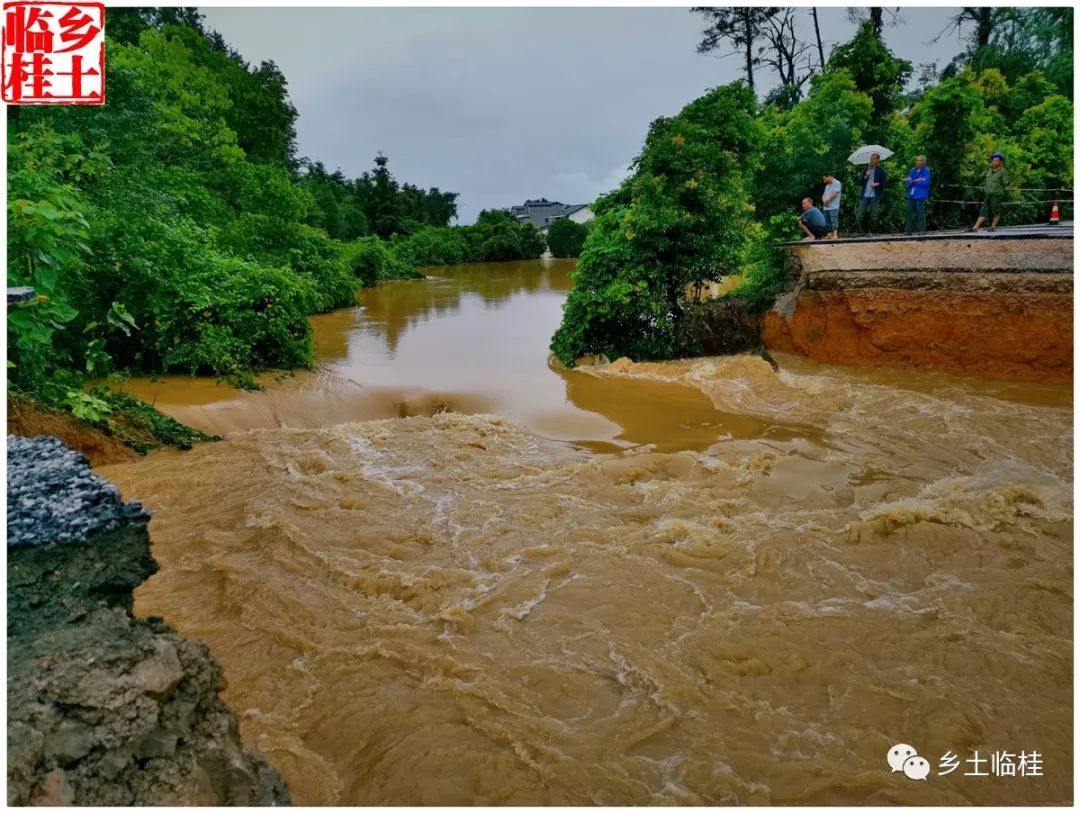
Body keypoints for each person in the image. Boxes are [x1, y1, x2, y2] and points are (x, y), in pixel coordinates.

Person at [969, 152, 1009, 232]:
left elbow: (1005, 183)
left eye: (996, 160)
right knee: (983, 210)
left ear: (1000, 162)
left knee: (995, 210)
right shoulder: (990, 170)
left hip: (997, 194)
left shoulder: (1003, 171)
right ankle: (975, 227)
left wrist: (999, 190)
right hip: (988, 194)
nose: (993, 162)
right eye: (993, 160)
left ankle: (993, 226)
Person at [855, 153, 886, 235]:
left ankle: (870, 232)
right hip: (865, 195)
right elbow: (860, 182)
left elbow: (884, 183)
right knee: (859, 215)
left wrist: (877, 184)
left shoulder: (881, 171)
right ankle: (861, 232)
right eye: (871, 159)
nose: (872, 160)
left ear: (878, 160)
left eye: (874, 159)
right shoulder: (866, 170)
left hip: (874, 195)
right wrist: (865, 176)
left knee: (873, 216)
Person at [904, 155, 931, 234]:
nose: (917, 162)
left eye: (919, 160)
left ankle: (921, 230)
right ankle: (908, 230)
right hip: (911, 194)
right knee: (909, 212)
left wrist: (913, 181)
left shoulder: (926, 171)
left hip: (920, 194)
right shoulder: (913, 170)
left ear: (924, 162)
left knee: (920, 213)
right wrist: (917, 180)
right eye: (917, 160)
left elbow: (925, 183)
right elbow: (908, 181)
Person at [822, 172, 842, 238]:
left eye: (825, 179)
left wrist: (827, 201)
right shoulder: (827, 185)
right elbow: (824, 195)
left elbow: (834, 194)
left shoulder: (837, 183)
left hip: (833, 206)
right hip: (826, 207)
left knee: (834, 220)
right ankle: (829, 234)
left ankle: (835, 234)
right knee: (827, 221)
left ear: (829, 176)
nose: (824, 181)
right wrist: (824, 201)